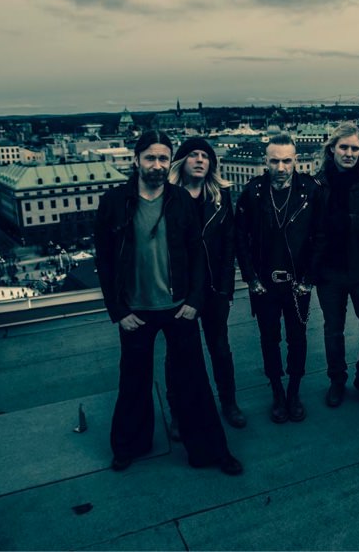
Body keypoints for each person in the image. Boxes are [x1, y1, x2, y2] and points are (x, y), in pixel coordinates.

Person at [94, 130, 242, 475]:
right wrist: (119, 311)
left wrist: (194, 301)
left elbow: (196, 256)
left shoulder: (181, 201)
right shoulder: (114, 202)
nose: (157, 165)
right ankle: (129, 446)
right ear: (136, 160)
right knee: (133, 380)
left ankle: (210, 450)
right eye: (150, 158)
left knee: (194, 382)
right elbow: (105, 261)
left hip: (178, 308)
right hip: (136, 311)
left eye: (163, 158)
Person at [235, 133, 325, 424]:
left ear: (296, 161)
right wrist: (251, 279)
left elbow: (321, 237)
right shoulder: (253, 193)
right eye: (275, 161)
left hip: (298, 284)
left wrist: (309, 279)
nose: (281, 167)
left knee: (297, 340)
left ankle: (294, 392)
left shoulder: (311, 191)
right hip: (264, 285)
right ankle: (277, 392)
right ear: (266, 161)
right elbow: (240, 240)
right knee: (269, 340)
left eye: (287, 160)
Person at [166, 137, 246, 434]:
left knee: (221, 349)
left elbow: (229, 244)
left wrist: (225, 287)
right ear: (182, 162)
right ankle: (177, 412)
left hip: (214, 288)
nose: (200, 160)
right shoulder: (168, 198)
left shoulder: (220, 196)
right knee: (179, 354)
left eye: (205, 156)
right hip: (180, 291)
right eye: (193, 155)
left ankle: (229, 403)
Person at [313, 123, 359, 409]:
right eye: (344, 147)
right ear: (332, 149)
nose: (349, 153)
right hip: (329, 273)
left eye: (355, 148)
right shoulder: (317, 184)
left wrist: (347, 222)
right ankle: (337, 380)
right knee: (333, 331)